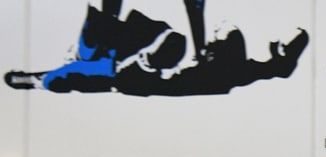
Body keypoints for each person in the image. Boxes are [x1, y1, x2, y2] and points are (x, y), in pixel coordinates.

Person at [4, 0, 307, 96]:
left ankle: (148, 57)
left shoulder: (224, 72)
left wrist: (31, 79)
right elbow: (274, 69)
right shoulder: (231, 73)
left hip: (138, 70)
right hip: (140, 70)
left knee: (97, 65)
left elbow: (64, 78)